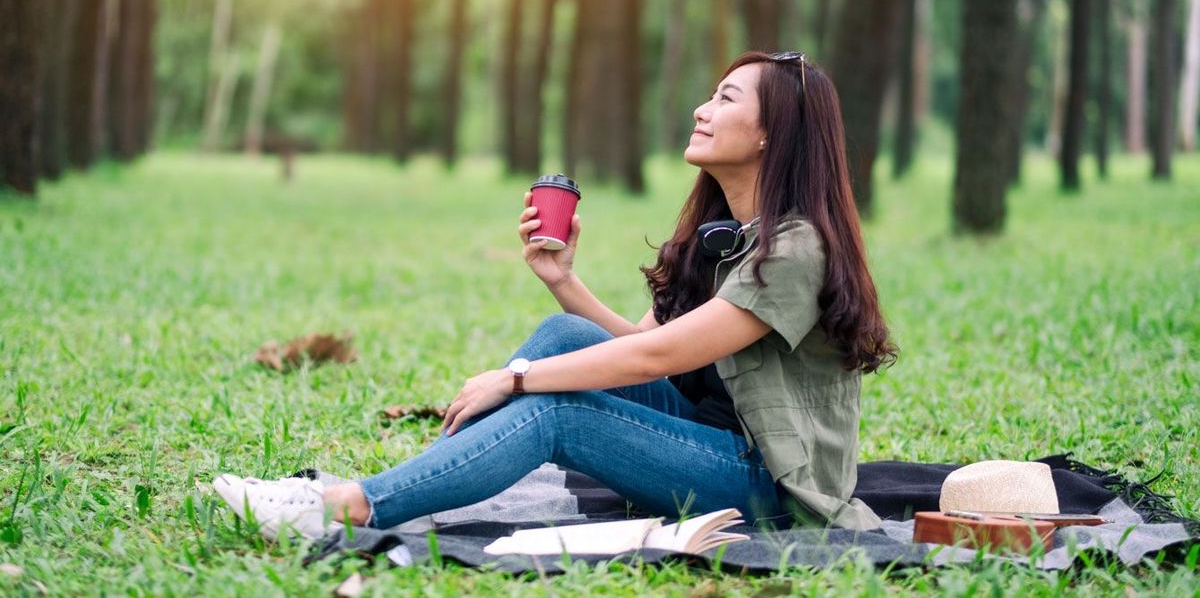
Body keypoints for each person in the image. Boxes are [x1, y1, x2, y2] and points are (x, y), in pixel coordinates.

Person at [214, 50, 897, 541]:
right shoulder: (719, 232)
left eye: (725, 98)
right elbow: (636, 345)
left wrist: (516, 379)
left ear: (773, 130)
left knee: (554, 411)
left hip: (768, 484)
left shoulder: (797, 248)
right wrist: (564, 282)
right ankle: (400, 483)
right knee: (562, 336)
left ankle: (347, 506)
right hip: (707, 437)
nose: (701, 107)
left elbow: (653, 356)